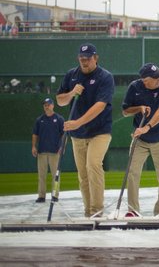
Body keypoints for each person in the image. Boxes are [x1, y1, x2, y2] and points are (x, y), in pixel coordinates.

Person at [56, 43, 114, 217]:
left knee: (93, 165)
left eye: (88, 59)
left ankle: (97, 211)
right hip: (78, 135)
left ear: (95, 58)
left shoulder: (105, 77)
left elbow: (100, 105)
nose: (84, 62)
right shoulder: (71, 75)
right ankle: (88, 212)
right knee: (83, 175)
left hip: (100, 131)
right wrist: (72, 93)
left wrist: (78, 122)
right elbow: (60, 100)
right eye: (81, 59)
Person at [121, 63, 159, 217]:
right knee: (132, 172)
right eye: (155, 77)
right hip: (140, 139)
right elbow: (125, 111)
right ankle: (133, 210)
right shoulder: (134, 87)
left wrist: (147, 127)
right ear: (145, 80)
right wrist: (139, 108)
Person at [32, 97, 64, 203]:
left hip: (55, 152)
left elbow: (64, 134)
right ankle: (41, 196)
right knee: (41, 175)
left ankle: (55, 195)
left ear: (53, 105)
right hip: (42, 152)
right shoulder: (39, 120)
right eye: (45, 105)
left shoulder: (59, 119)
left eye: (48, 104)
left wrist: (62, 147)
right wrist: (33, 146)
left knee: (55, 175)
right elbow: (35, 134)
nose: (46, 106)